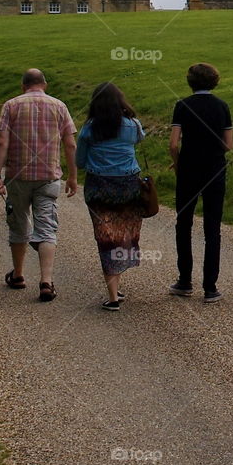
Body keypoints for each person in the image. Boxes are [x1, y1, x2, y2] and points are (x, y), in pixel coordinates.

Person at [0, 68, 77, 302]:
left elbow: (2, 142)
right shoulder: (59, 106)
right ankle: (46, 281)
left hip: (18, 176)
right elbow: (70, 144)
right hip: (48, 175)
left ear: (23, 86)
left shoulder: (11, 106)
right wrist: (72, 176)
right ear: (45, 84)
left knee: (18, 224)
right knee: (47, 227)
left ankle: (18, 275)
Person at [76, 82, 146, 311]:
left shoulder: (89, 128)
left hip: (99, 186)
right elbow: (140, 138)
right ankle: (116, 282)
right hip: (128, 184)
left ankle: (113, 295)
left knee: (105, 237)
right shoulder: (132, 125)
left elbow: (79, 162)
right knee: (124, 232)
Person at [169, 63, 233, 303]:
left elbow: (174, 144)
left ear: (190, 82)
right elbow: (229, 144)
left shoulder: (182, 106)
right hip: (215, 169)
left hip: (188, 169)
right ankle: (210, 286)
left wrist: (178, 163)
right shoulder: (222, 107)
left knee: (183, 224)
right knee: (212, 227)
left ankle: (185, 280)